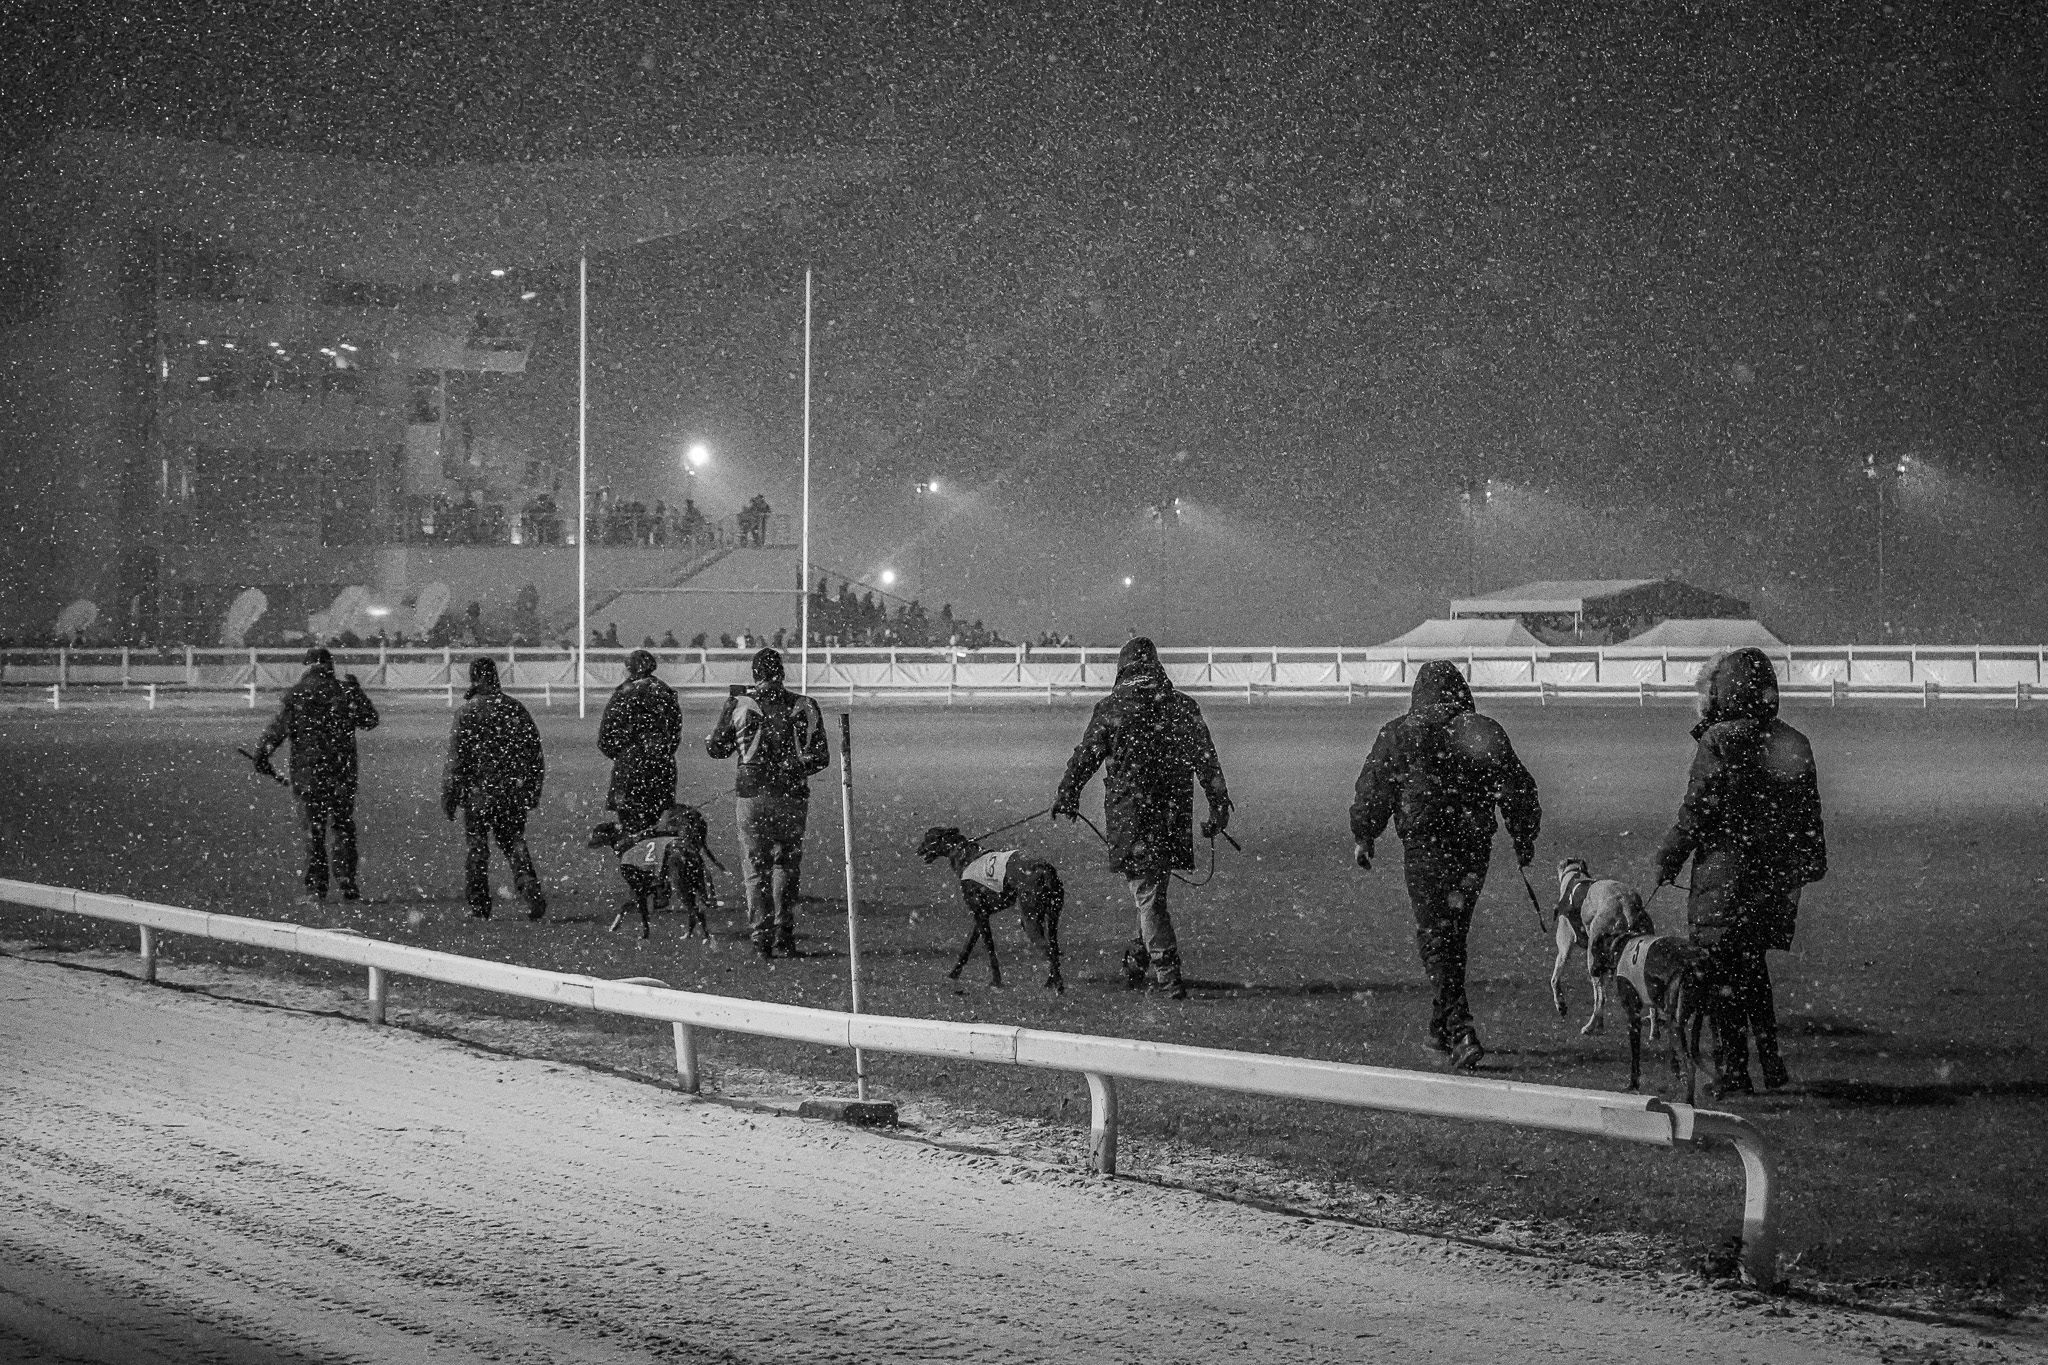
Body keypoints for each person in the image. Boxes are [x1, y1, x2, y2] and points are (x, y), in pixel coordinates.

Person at [1652, 647, 1826, 1097]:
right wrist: (1805, 865)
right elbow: (1809, 815)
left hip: (1727, 877)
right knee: (1753, 969)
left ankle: (1733, 1071)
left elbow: (1698, 809)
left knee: (1721, 976)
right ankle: (1770, 1063)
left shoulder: (1721, 740)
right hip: (1775, 877)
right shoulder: (1793, 741)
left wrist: (1669, 855)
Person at [1350, 660, 1540, 1071]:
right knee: (1453, 933)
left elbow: (1374, 788)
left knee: (1437, 936)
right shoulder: (1481, 731)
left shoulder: (1399, 733)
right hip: (1472, 849)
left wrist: (1365, 834)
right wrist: (1524, 838)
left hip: (1425, 849)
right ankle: (1443, 1024)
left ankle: (1459, 1029)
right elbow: (1518, 788)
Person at [1052, 637, 1231, 999]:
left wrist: (1067, 794)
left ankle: (1168, 977)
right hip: (1171, 814)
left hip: (1130, 817)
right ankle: (1137, 959)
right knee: (1152, 891)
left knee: (1148, 895)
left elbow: (1085, 756)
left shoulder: (1112, 708)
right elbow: (1206, 761)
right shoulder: (1182, 707)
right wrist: (1218, 805)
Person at [706, 647, 830, 959]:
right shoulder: (804, 705)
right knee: (786, 865)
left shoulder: (740, 703)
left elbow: (717, 748)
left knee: (755, 867)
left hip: (751, 794)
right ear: (782, 673)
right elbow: (821, 757)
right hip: (791, 795)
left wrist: (729, 719)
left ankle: (761, 937)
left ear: (755, 674)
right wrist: (792, 768)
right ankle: (783, 933)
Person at [251, 647, 381, 903]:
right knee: (343, 827)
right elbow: (370, 720)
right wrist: (358, 692)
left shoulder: (298, 695)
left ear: (307, 666)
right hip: (341, 772)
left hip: (308, 773)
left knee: (314, 832)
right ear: (330, 666)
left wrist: (262, 755)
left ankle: (316, 889)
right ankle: (347, 882)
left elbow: (277, 731)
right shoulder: (344, 691)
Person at [441, 657, 548, 920]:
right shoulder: (515, 709)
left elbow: (456, 761)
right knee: (514, 842)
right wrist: (533, 788)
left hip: (478, 794)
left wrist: (450, 797)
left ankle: (479, 905)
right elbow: (534, 753)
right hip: (511, 792)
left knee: (477, 849)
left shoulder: (467, 712)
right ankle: (528, 884)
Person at [598, 648, 681, 834]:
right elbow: (674, 734)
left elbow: (605, 739)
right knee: (657, 829)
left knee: (631, 831)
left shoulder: (623, 694)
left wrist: (626, 755)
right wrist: (659, 752)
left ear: (630, 669)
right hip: (662, 769)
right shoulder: (665, 692)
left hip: (630, 771)